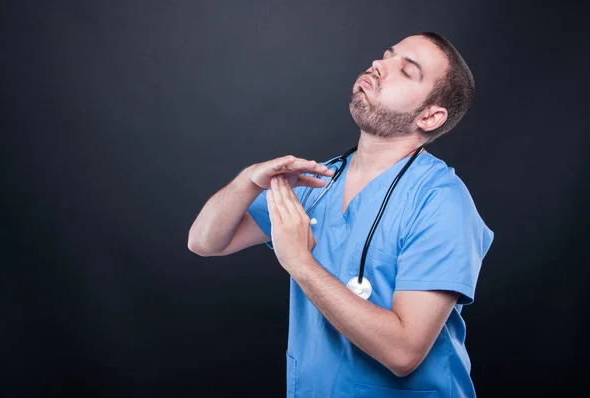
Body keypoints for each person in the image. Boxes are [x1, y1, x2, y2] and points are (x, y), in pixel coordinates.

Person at [188, 31, 494, 397]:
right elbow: (205, 242)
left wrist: (300, 262)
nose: (379, 65)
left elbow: (404, 351)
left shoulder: (441, 201)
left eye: (406, 70)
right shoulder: (318, 183)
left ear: (430, 116)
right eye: (386, 55)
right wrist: (247, 181)